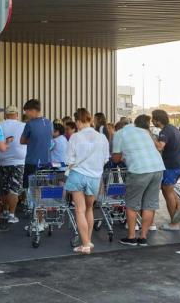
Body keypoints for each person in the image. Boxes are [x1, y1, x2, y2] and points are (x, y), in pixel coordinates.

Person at [111, 113, 165, 247]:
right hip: (157, 168)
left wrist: (122, 157)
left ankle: (131, 237)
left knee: (132, 204)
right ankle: (143, 237)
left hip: (139, 170)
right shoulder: (143, 131)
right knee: (149, 203)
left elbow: (116, 158)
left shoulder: (119, 134)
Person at [64, 108, 110, 254]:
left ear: (78, 121)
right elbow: (105, 159)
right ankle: (87, 241)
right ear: (90, 120)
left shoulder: (75, 137)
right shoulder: (102, 137)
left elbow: (69, 159)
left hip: (78, 174)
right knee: (90, 209)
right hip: (94, 177)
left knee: (79, 210)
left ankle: (85, 245)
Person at [151, 109, 180, 231]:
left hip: (171, 166)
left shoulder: (164, 131)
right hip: (179, 165)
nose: (152, 121)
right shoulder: (173, 128)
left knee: (167, 191)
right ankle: (179, 208)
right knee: (168, 189)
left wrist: (151, 138)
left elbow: (160, 146)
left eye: (153, 118)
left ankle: (174, 223)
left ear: (157, 120)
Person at [0, 106, 27, 225]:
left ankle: (4, 211)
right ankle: (11, 214)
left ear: (6, 115)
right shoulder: (23, 126)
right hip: (19, 161)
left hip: (2, 160)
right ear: (17, 115)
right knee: (14, 189)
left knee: (4, 188)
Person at [20, 98, 53, 190]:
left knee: (30, 190)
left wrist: (32, 141)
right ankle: (41, 204)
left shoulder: (30, 124)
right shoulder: (49, 123)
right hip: (46, 162)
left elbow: (22, 141)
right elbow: (50, 140)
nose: (26, 115)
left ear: (33, 110)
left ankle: (33, 204)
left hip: (32, 162)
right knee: (44, 188)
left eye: (27, 112)